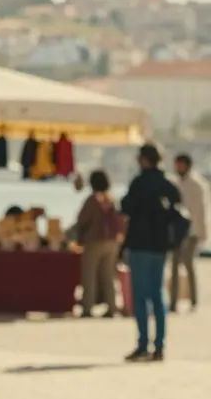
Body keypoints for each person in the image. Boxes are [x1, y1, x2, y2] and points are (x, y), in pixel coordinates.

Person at [120, 142, 181, 362]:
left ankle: (143, 343)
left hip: (139, 244)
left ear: (143, 159)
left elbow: (125, 206)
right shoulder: (168, 185)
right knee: (157, 295)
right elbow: (178, 207)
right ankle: (160, 345)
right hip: (160, 245)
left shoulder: (139, 183)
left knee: (140, 296)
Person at [75, 170, 122, 318]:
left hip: (94, 241)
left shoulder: (92, 200)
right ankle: (112, 307)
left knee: (89, 276)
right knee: (108, 276)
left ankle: (87, 307)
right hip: (112, 242)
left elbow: (82, 219)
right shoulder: (112, 199)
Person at [170, 153, 207, 311]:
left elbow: (201, 211)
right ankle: (173, 301)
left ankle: (193, 300)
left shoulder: (197, 185)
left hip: (191, 232)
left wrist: (201, 233)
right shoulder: (174, 183)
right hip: (177, 231)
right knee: (174, 266)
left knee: (188, 265)